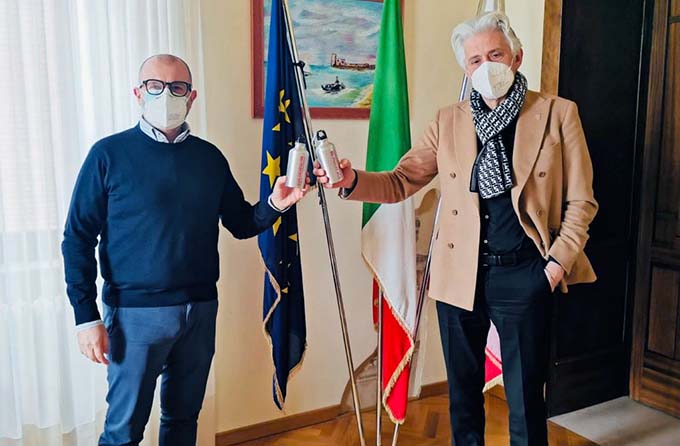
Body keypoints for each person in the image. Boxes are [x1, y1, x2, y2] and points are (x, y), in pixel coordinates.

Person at [314, 12, 597, 446]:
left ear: (517, 57)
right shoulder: (449, 120)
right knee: (463, 400)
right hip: (458, 277)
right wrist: (352, 181)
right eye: (475, 60)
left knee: (525, 401)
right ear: (465, 68)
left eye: (495, 55)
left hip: (525, 274)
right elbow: (400, 180)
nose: (486, 67)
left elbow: (581, 202)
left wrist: (554, 266)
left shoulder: (557, 113)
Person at [62, 54, 309, 446]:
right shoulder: (107, 155)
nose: (166, 95)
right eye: (155, 86)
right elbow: (77, 238)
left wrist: (276, 204)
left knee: (182, 420)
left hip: (200, 311)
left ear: (191, 97)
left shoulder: (209, 158)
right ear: (138, 93)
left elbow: (242, 223)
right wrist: (85, 317)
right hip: (135, 315)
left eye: (177, 87)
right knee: (123, 430)